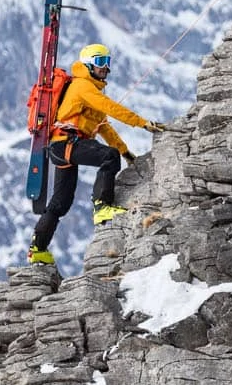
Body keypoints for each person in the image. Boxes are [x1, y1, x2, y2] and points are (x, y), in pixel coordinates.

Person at [27, 43, 166, 265]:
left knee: (61, 202)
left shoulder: (91, 89)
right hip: (66, 144)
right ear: (89, 64)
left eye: (107, 62)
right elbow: (111, 107)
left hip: (62, 147)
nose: (105, 67)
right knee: (108, 156)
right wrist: (142, 123)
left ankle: (38, 249)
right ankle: (102, 206)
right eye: (100, 62)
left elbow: (103, 126)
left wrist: (126, 153)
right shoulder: (83, 86)